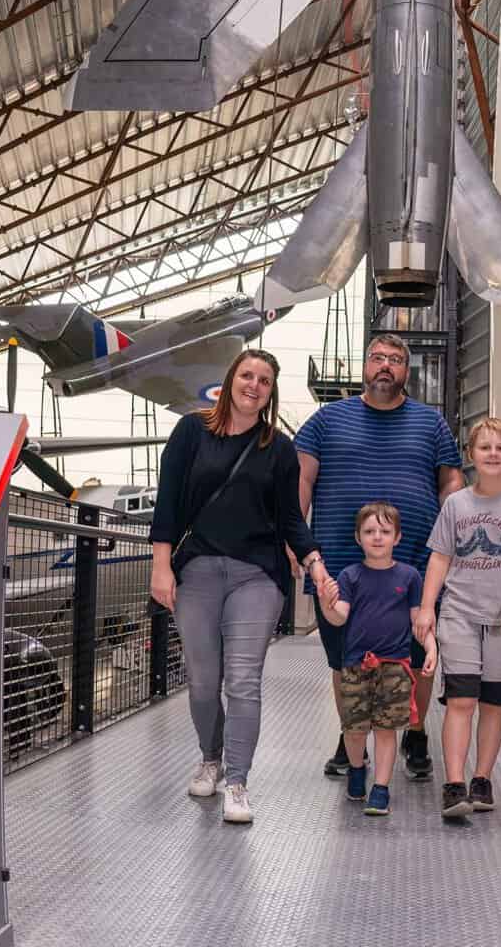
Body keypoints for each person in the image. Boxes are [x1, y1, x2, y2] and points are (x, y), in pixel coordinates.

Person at [150, 348, 334, 824]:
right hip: (197, 571)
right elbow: (168, 502)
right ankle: (210, 757)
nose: (254, 385)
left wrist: (314, 563)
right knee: (202, 680)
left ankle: (237, 781)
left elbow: (291, 519)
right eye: (247, 375)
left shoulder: (279, 449)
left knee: (244, 680)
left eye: (264, 381)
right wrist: (161, 565)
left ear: (271, 393)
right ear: (231, 379)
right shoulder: (192, 431)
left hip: (257, 575)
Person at [297, 333, 463, 781]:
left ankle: (415, 731)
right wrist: (297, 543)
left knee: (416, 657)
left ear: (407, 371)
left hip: (415, 566)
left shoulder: (431, 423)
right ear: (364, 366)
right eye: (377, 358)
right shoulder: (327, 420)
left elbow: (451, 482)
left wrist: (455, 537)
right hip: (339, 564)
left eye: (395, 359)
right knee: (344, 659)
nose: (385, 365)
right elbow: (302, 479)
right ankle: (351, 735)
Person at [418, 416, 501, 820]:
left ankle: (482, 778)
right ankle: (454, 784)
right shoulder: (456, 504)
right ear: (471, 454)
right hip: (459, 613)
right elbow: (440, 558)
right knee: (461, 699)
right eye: (485, 447)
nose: (493, 454)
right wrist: (427, 607)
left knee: (493, 702)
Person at [316, 503, 431, 816]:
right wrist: (326, 604)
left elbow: (418, 619)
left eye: (385, 531)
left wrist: (431, 646)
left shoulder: (409, 577)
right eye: (369, 531)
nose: (377, 537)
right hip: (356, 665)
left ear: (397, 537)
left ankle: (381, 788)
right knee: (354, 729)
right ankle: (357, 769)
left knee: (385, 729)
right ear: (358, 538)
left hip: (395, 666)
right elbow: (339, 617)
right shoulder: (350, 576)